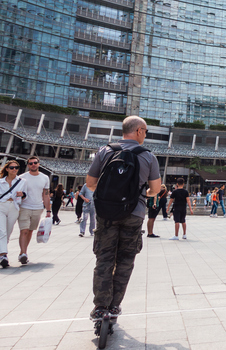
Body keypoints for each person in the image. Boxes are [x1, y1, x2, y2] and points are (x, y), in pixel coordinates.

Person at [86, 115, 162, 319]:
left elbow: (91, 183)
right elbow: (155, 189)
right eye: (145, 131)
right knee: (126, 260)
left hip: (106, 213)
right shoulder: (148, 156)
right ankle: (114, 306)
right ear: (138, 131)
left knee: (104, 258)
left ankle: (100, 306)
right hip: (134, 213)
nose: (145, 135)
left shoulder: (105, 151)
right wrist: (137, 194)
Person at [17, 156, 51, 265]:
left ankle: (24, 252)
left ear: (38, 164)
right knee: (24, 230)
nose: (33, 165)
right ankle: (23, 253)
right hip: (24, 207)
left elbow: (45, 195)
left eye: (35, 163)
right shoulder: (22, 178)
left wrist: (48, 211)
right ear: (28, 165)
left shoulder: (45, 178)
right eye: (30, 163)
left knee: (30, 231)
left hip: (38, 208)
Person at [0, 160, 26, 268]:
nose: (14, 169)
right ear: (7, 169)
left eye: (16, 167)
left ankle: (2, 251)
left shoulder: (22, 181)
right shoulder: (1, 182)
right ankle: (3, 255)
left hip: (14, 206)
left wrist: (22, 194)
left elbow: (26, 194)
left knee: (9, 231)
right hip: (2, 205)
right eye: (12, 167)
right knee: (2, 231)